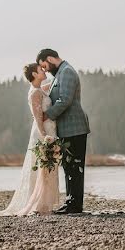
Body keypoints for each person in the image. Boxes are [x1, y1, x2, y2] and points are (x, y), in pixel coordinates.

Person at [0, 63, 60, 216]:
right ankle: (37, 203)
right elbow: (37, 117)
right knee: (41, 167)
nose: (44, 71)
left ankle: (44, 203)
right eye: (41, 70)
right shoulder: (34, 93)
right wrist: (44, 137)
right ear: (34, 74)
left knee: (47, 168)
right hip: (43, 132)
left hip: (50, 130)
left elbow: (53, 84)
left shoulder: (40, 90)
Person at [37, 48, 90, 214]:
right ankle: (70, 201)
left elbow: (64, 100)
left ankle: (75, 204)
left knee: (75, 165)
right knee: (68, 165)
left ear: (51, 58)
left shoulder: (66, 72)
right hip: (68, 128)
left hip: (74, 127)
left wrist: (47, 115)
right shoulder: (60, 73)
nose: (45, 70)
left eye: (44, 65)